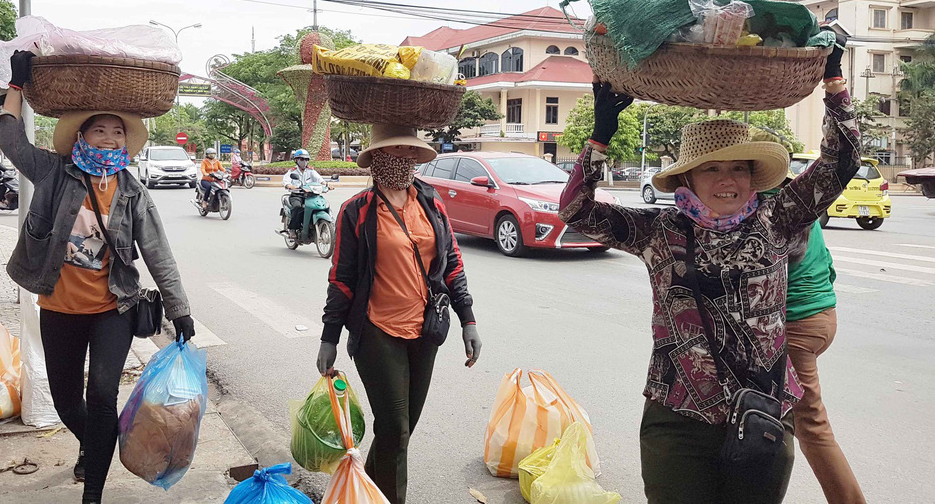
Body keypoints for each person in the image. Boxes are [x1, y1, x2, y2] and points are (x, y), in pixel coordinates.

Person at [558, 37, 859, 503]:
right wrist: (599, 137)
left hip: (763, 410)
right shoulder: (658, 230)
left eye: (738, 168)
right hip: (678, 415)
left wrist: (834, 82)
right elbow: (576, 211)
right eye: (711, 168)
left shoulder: (779, 218)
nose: (727, 180)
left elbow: (842, 161)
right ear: (688, 178)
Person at [0, 51, 195, 504]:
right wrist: (16, 86)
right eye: (98, 130)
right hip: (59, 310)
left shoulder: (131, 190)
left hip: (113, 309)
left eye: (116, 131)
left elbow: (158, 252)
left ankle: (94, 493)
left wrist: (179, 308)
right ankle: (98, 442)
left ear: (126, 140)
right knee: (68, 404)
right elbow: (11, 142)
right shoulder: (53, 172)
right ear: (81, 135)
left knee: (102, 395)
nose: (108, 138)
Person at [317, 124, 483, 504]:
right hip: (376, 331)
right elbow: (341, 279)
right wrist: (330, 337)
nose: (403, 160)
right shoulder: (356, 211)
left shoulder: (430, 201)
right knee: (395, 427)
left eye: (409, 153)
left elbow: (452, 262)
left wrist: (468, 319)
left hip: (425, 330)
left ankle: (365, 495)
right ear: (377, 158)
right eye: (394, 153)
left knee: (400, 431)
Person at [784, 219, 867, 503]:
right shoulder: (802, 196)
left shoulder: (762, 205)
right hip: (823, 315)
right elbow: (827, 265)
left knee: (810, 424)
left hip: (795, 323)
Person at [283, 149, 323, 232]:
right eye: (301, 159)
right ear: (296, 160)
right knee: (297, 207)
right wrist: (290, 186)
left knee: (320, 205)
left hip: (310, 195)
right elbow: (286, 181)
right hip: (297, 195)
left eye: (306, 159)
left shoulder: (311, 171)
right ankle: (293, 229)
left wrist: (326, 184)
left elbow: (319, 179)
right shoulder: (292, 171)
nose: (304, 161)